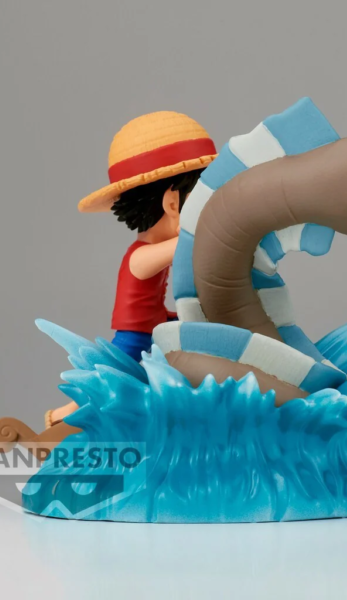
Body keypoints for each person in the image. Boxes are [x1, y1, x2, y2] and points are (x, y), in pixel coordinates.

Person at [46, 111, 217, 428]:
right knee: (105, 383)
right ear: (172, 204)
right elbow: (189, 243)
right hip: (136, 337)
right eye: (201, 202)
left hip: (157, 324)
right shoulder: (140, 257)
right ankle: (60, 419)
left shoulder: (149, 251)